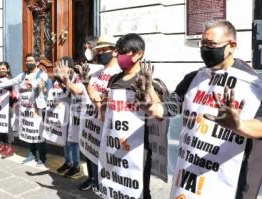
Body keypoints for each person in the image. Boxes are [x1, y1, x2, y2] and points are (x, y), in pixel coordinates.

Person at [138, 19, 262, 199]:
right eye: (202, 44)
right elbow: (167, 109)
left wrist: (238, 125)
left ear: (231, 46)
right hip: (190, 176)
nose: (205, 49)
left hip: (230, 181)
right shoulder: (194, 78)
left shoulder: (252, 85)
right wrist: (149, 104)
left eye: (211, 44)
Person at [98, 33, 153, 199]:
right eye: (117, 51)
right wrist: (102, 105)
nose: (117, 55)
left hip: (137, 148)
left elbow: (155, 111)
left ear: (138, 54)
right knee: (114, 183)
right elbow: (105, 109)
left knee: (139, 189)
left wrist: (147, 93)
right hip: (113, 143)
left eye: (122, 52)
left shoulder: (146, 80)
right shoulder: (114, 79)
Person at [78, 35, 121, 192]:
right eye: (99, 50)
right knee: (91, 153)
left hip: (107, 126)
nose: (101, 53)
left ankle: (102, 184)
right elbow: (88, 88)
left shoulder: (120, 74)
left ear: (115, 51)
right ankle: (93, 180)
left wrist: (97, 99)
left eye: (105, 50)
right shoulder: (97, 72)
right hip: (92, 124)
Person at [0, 53, 51, 167]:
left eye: (31, 60)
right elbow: (12, 81)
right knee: (28, 132)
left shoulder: (42, 74)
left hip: (37, 110)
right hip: (25, 110)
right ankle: (32, 154)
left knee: (39, 134)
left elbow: (40, 83)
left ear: (37, 62)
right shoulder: (23, 75)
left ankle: (42, 157)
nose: (28, 62)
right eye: (27, 60)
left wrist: (32, 84)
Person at [55, 56, 83, 178]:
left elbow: (77, 93)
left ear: (70, 68)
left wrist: (65, 83)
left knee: (73, 141)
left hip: (76, 114)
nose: (60, 69)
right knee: (65, 139)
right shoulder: (59, 79)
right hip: (64, 113)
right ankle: (68, 161)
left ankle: (76, 165)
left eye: (63, 66)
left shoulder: (78, 78)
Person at [0, 61, 18, 158]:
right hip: (0, 108)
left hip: (9, 107)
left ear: (8, 69)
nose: (1, 70)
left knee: (9, 127)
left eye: (3, 68)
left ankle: (10, 147)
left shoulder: (10, 79)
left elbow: (9, 87)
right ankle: (4, 145)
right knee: (1, 125)